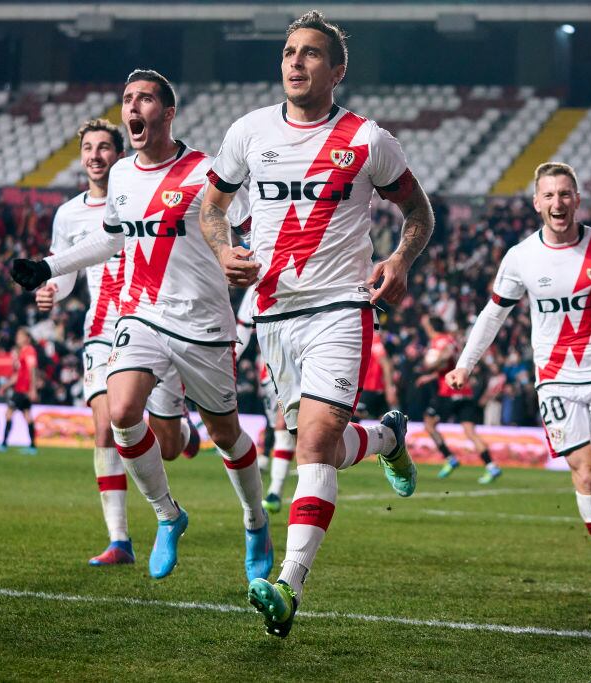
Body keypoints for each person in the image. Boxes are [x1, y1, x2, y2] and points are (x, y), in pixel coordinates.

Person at [200, 10, 434, 638]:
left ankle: (288, 585)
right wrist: (223, 249)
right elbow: (212, 207)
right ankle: (387, 438)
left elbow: (417, 210)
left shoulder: (367, 139)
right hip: (275, 312)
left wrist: (400, 259)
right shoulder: (248, 132)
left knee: (311, 445)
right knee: (324, 445)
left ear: (337, 70)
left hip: (341, 308)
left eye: (309, 54)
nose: (295, 63)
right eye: (287, 52)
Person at [10, 69, 272, 583]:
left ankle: (255, 520)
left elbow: (250, 216)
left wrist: (248, 256)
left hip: (203, 324)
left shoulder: (207, 172)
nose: (133, 107)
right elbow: (110, 241)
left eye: (146, 98)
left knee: (225, 435)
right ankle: (168, 515)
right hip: (141, 314)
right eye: (128, 98)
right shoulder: (124, 175)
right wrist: (48, 266)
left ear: (168, 113)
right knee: (123, 412)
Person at [446, 162, 591, 599]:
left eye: (565, 194)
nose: (558, 203)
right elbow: (493, 313)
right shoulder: (520, 257)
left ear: (578, 199)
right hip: (554, 380)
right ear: (537, 203)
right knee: (587, 476)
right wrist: (466, 363)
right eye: (549, 195)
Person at [33, 117, 199, 568]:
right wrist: (51, 289)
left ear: (118, 152)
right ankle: (119, 541)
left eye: (104, 147)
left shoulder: (139, 193)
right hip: (102, 329)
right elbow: (67, 275)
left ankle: (183, 433)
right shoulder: (68, 214)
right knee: (107, 424)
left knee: (163, 444)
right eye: (87, 148)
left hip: (154, 322)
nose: (94, 156)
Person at [419, 317, 502, 484]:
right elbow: (452, 364)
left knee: (429, 424)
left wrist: (432, 365)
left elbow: (443, 359)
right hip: (465, 390)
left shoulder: (440, 341)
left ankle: (450, 458)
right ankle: (491, 466)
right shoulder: (452, 339)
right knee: (470, 431)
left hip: (448, 391)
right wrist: (431, 376)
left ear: (430, 327)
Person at [236, 285, 295, 514]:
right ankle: (271, 474)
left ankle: (275, 491)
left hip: (299, 360)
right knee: (277, 426)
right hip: (269, 368)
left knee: (283, 423)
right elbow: (243, 326)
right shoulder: (257, 286)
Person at [0, 328, 40, 455]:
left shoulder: (29, 351)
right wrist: (6, 386)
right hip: (21, 388)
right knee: (27, 415)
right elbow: (18, 374)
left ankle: (3, 444)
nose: (17, 338)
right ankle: (32, 447)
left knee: (9, 413)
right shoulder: (22, 352)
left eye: (20, 335)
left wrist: (32, 389)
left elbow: (32, 369)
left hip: (23, 389)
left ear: (27, 338)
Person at [355, 331, 398, 420]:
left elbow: (386, 365)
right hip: (373, 389)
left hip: (370, 388)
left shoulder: (374, 342)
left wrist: (389, 388)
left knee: (356, 416)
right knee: (382, 419)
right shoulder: (368, 341)